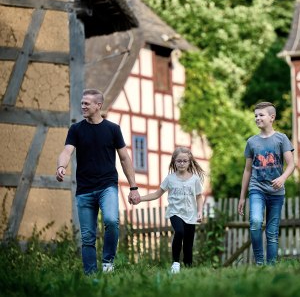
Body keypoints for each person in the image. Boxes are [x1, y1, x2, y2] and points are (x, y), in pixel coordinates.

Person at [56, 89, 141, 274]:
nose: (83, 106)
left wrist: (133, 187)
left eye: (87, 103)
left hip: (107, 186)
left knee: (111, 221)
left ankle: (108, 263)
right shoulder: (76, 129)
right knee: (87, 237)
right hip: (84, 190)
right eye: (82, 103)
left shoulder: (112, 129)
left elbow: (125, 158)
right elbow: (67, 151)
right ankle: (91, 276)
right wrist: (61, 166)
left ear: (98, 106)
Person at [237, 102, 295, 265]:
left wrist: (283, 178)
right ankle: (260, 262)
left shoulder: (281, 138)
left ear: (272, 117)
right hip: (257, 189)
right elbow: (247, 170)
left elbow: (291, 164)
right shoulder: (252, 142)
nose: (257, 118)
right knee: (255, 222)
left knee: (272, 231)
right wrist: (242, 197)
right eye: (255, 115)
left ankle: (271, 266)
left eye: (261, 115)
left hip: (277, 192)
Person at [133, 147, 205, 274]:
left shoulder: (195, 179)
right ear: (174, 162)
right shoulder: (170, 179)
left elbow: (199, 196)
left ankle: (188, 268)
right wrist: (140, 199)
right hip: (175, 212)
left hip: (191, 214)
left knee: (188, 243)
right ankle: (175, 263)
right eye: (179, 161)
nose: (181, 163)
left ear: (189, 162)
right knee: (179, 231)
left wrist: (199, 211)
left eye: (184, 161)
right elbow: (157, 194)